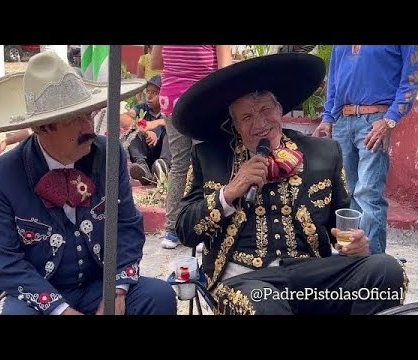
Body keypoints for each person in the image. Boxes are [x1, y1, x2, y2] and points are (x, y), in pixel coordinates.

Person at [172, 53, 408, 315]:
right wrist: (229, 193)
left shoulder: (323, 153)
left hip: (312, 278)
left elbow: (341, 228)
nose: (260, 124)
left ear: (279, 110)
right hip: (247, 282)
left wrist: (355, 243)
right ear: (235, 125)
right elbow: (184, 230)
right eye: (247, 117)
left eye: (265, 110)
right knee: (264, 303)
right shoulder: (210, 157)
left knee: (385, 270)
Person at [0, 51, 177, 315]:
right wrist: (61, 310)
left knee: (158, 297)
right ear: (43, 127)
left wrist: (116, 289)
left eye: (89, 114)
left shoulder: (108, 154)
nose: (89, 128)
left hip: (96, 284)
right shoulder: (2, 175)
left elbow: (127, 225)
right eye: (76, 119)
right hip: (32, 294)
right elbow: (4, 260)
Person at [312, 45, 418, 255]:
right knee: (344, 194)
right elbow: (333, 81)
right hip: (342, 121)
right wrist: (327, 118)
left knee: (368, 193)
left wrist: (389, 120)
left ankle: (375, 264)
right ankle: (349, 259)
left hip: (375, 121)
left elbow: (411, 80)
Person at [151, 45, 232, 249]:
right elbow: (225, 70)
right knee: (207, 162)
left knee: (179, 165)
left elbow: (155, 63)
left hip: (171, 101)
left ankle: (171, 231)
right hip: (201, 102)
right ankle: (205, 228)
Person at [120, 75, 171, 185]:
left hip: (162, 155)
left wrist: (156, 123)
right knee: (132, 129)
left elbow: (176, 122)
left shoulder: (168, 109)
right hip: (146, 154)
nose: (149, 96)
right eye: (147, 92)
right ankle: (143, 169)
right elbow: (123, 118)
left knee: (170, 129)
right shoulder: (142, 108)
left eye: (154, 93)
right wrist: (145, 131)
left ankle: (163, 167)